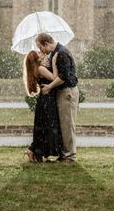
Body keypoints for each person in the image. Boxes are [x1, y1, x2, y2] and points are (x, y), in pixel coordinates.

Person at [36, 33, 79, 162]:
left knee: (68, 124)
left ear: (46, 44)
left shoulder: (61, 53)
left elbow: (63, 77)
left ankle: (70, 156)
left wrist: (49, 87)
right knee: (63, 125)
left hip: (68, 92)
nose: (40, 50)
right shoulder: (55, 54)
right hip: (63, 92)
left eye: (40, 47)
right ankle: (64, 154)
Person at [24, 50, 64, 162]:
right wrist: (54, 64)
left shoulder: (38, 69)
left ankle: (35, 151)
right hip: (48, 100)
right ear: (36, 58)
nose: (42, 54)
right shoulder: (41, 69)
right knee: (48, 125)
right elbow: (54, 78)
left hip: (44, 100)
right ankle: (34, 150)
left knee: (42, 127)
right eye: (39, 53)